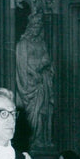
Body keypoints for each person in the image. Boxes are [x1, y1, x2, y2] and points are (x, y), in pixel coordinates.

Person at [15, 10, 54, 148]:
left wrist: (45, 66)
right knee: (33, 114)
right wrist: (34, 72)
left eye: (39, 26)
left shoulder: (42, 43)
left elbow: (47, 60)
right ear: (30, 26)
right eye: (35, 25)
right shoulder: (23, 44)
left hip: (42, 83)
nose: (37, 28)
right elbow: (21, 65)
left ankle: (41, 139)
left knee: (43, 112)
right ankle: (33, 140)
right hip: (30, 83)